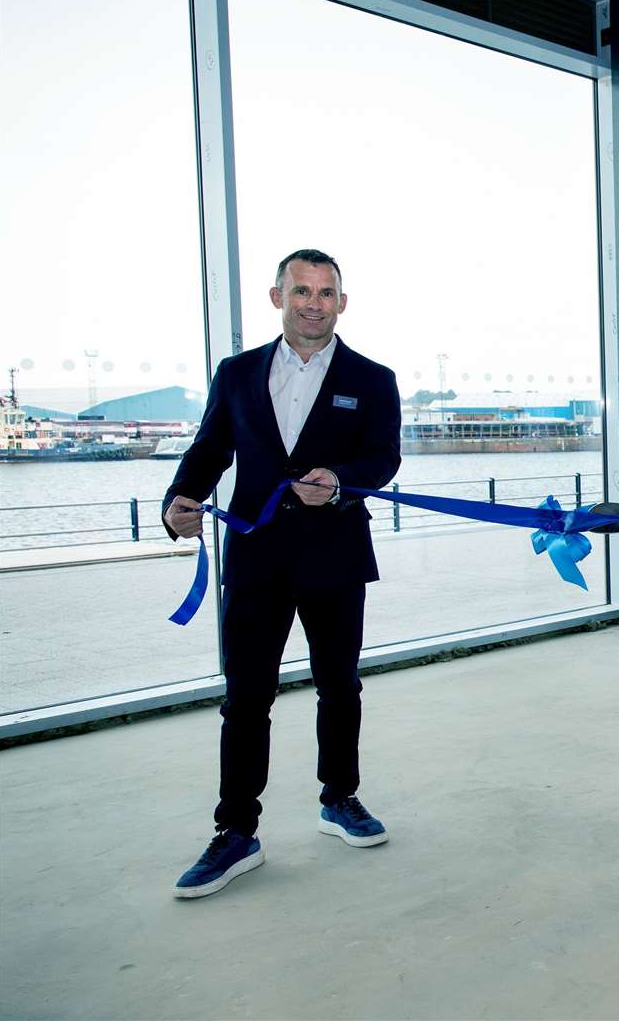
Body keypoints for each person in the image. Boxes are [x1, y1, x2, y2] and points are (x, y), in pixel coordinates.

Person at [163, 249, 402, 898]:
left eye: (327, 292)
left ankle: (340, 798)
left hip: (336, 555)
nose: (314, 303)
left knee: (339, 685)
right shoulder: (237, 373)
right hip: (256, 557)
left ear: (342, 304)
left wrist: (343, 480)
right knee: (245, 699)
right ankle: (236, 832)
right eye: (302, 290)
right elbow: (210, 448)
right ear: (278, 297)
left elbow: (384, 456)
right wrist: (177, 500)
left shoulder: (372, 377)